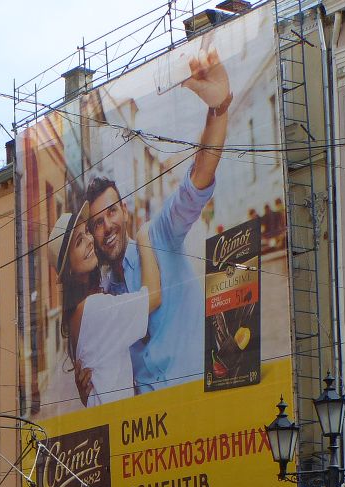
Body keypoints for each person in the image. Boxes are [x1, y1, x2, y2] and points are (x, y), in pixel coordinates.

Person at [76, 45, 233, 399]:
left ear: (126, 211)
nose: (107, 227)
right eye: (97, 223)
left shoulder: (160, 235)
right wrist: (86, 381)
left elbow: (198, 179)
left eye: (112, 213)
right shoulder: (104, 299)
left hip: (201, 401)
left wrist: (219, 109)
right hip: (150, 426)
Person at [49, 202, 164, 406]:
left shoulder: (78, 314)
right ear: (69, 270)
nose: (89, 241)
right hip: (117, 423)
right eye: (78, 242)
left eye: (86, 232)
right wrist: (143, 236)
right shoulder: (94, 309)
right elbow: (154, 296)